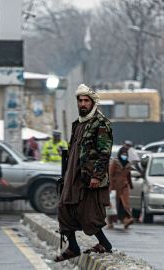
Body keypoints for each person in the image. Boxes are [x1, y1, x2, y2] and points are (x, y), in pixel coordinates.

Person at [55, 84, 113, 262]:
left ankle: (105, 245)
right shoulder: (78, 124)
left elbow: (105, 153)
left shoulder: (100, 123)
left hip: (88, 178)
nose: (82, 104)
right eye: (80, 100)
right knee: (64, 209)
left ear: (93, 103)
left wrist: (96, 176)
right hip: (73, 177)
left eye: (86, 100)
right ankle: (73, 247)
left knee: (89, 215)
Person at [107, 147, 134, 229]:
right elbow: (110, 174)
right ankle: (110, 221)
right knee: (114, 205)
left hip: (124, 187)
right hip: (115, 187)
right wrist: (111, 186)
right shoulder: (115, 162)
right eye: (123, 154)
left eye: (126, 154)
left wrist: (130, 185)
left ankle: (126, 220)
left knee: (124, 204)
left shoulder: (128, 164)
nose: (124, 156)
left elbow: (128, 175)